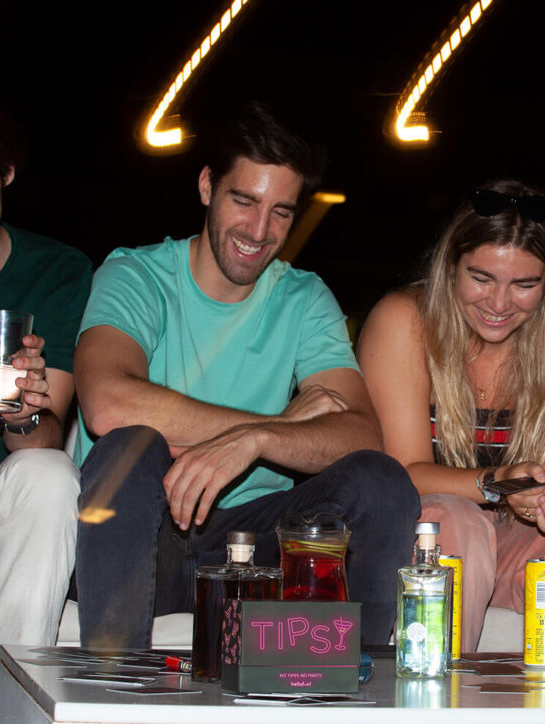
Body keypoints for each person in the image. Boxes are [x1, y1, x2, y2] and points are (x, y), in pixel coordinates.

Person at [73, 102, 419, 649]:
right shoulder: (135, 274)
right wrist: (275, 423)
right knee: (131, 448)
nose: (260, 231)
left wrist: (255, 440)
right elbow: (107, 404)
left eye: (282, 211)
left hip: (249, 541)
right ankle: (113, 691)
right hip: (144, 532)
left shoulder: (303, 297)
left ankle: (357, 683)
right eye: (245, 201)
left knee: (381, 482)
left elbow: (362, 435)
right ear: (207, 186)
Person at [358, 180, 545, 660]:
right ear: (451, 264)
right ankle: (437, 699)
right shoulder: (404, 320)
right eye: (482, 278)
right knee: (458, 521)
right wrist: (498, 483)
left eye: (524, 285)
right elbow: (403, 473)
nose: (498, 303)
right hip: (412, 531)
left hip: (506, 536)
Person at [0, 88, 91, 717]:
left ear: (6, 177)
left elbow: (42, 440)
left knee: (47, 476)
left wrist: (25, 410)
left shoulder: (59, 273)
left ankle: (6, 709)